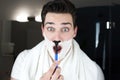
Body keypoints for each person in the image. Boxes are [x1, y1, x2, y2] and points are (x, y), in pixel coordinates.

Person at [10, 0, 104, 80]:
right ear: (43, 30)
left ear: (74, 32)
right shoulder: (23, 61)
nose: (57, 38)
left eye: (65, 29)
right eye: (51, 28)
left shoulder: (94, 72)